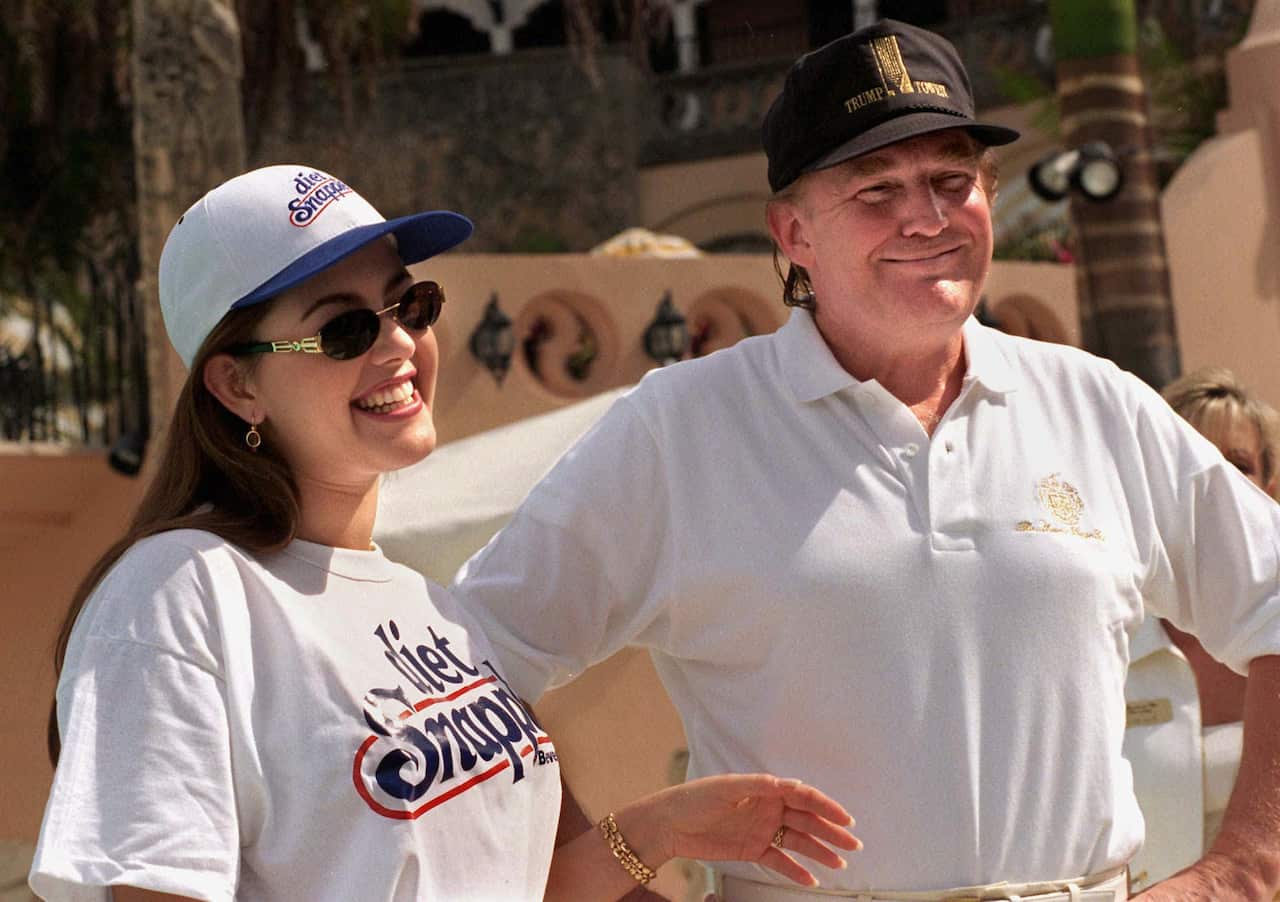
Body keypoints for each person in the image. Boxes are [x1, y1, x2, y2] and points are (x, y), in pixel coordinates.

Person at [449, 19, 1280, 902]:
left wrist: (1243, 870)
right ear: (792, 233)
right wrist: (616, 878)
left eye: (952, 180)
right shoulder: (679, 430)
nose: (926, 216)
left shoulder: (1097, 403)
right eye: (876, 189)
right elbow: (463, 669)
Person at [28, 165, 861, 902]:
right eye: (344, 329)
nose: (399, 342)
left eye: (410, 304)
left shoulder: (429, 608)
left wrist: (661, 828)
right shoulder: (179, 594)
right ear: (237, 384)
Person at [1123, 367, 1280, 892]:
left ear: (1269, 489)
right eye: (1194, 463)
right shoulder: (1104, 639)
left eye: (1238, 466)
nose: (1219, 487)